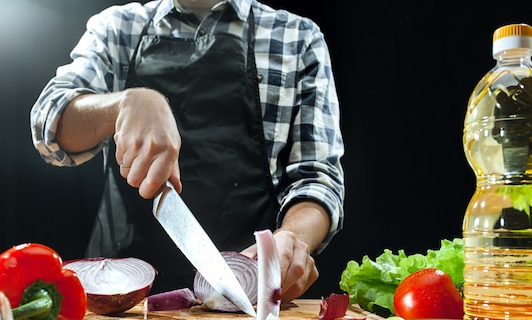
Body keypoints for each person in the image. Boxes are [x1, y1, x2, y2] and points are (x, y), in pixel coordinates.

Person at [30, 0, 344, 301]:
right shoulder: (118, 28)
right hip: (121, 306)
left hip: (245, 297)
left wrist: (293, 239)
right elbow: (50, 125)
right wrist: (126, 103)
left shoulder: (297, 38)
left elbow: (317, 179)